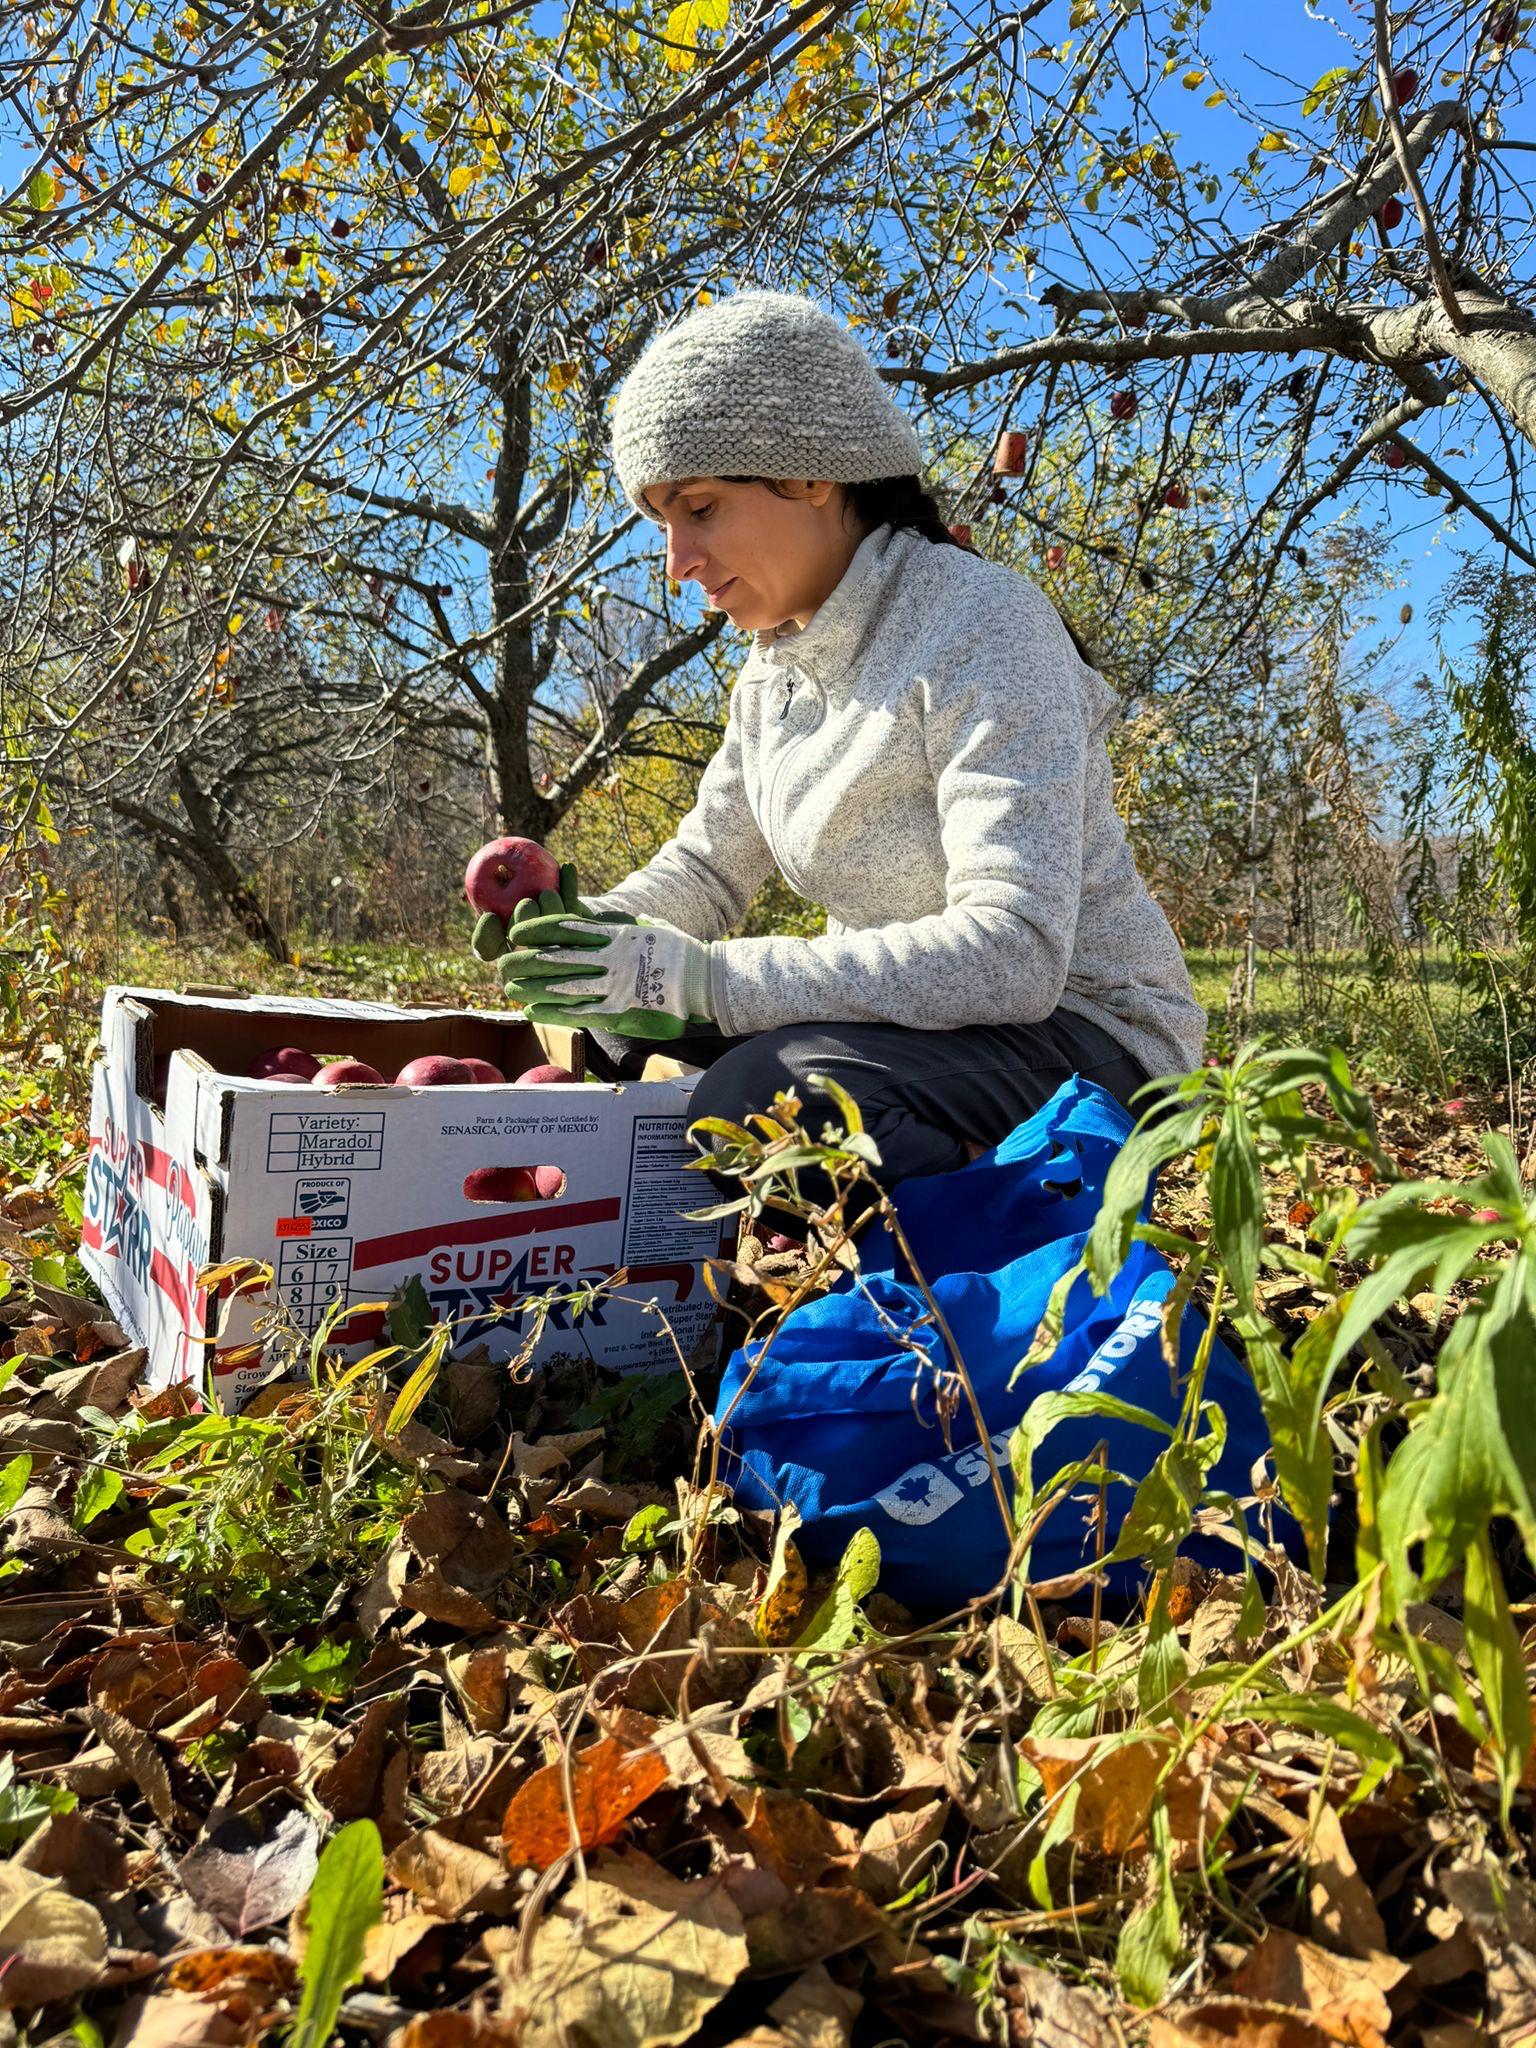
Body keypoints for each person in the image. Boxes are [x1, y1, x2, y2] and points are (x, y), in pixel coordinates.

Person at [475, 287, 1205, 1237]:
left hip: (1088, 1036)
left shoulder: (984, 624)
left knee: (764, 1100)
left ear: (811, 474)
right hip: (930, 1031)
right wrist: (592, 935)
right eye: (662, 521)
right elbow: (705, 870)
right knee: (614, 1023)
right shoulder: (776, 673)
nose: (677, 561)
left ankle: (1048, 1248)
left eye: (699, 508)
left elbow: (1015, 953)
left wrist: (706, 985)